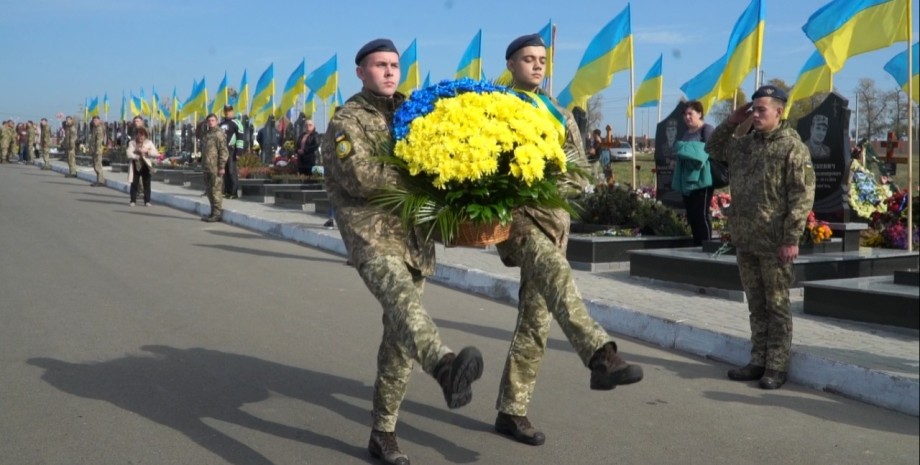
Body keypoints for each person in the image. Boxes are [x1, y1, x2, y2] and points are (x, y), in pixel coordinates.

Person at [322, 38, 483, 465]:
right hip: (372, 236)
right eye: (380, 65)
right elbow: (361, 177)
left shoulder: (417, 112)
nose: (390, 72)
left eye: (394, 65)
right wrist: (420, 171)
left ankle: (383, 433)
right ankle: (445, 366)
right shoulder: (347, 121)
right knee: (403, 303)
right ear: (360, 72)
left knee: (398, 336)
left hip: (415, 239)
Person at [492, 33, 644, 447]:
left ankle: (512, 410)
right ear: (511, 65)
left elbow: (580, 168)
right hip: (520, 221)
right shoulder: (494, 108)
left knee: (536, 321)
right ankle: (601, 356)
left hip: (555, 221)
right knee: (559, 277)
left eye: (542, 59)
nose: (537, 66)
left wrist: (564, 186)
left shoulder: (558, 112)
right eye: (528, 59)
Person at [705, 85, 816, 390]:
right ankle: (758, 360)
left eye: (761, 109)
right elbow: (713, 148)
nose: (755, 115)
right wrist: (731, 120)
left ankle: (777, 366)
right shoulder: (743, 145)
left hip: (775, 242)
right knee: (756, 304)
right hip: (746, 239)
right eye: (752, 109)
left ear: (779, 112)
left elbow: (801, 196)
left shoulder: (792, 148)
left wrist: (792, 238)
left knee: (777, 305)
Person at [672, 101, 715, 246]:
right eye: (685, 114)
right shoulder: (686, 133)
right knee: (691, 215)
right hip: (687, 180)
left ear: (700, 114)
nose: (687, 117)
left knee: (701, 214)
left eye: (690, 113)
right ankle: (697, 245)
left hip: (702, 180)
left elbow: (712, 152)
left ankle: (707, 245)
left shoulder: (707, 130)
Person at [201, 114, 229, 222]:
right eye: (209, 120)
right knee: (209, 191)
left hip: (216, 167)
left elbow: (223, 151)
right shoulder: (207, 134)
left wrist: (221, 166)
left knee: (215, 191)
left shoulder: (219, 134)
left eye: (213, 120)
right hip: (207, 167)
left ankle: (217, 214)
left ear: (217, 121)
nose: (211, 122)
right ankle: (212, 212)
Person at [126, 127, 156, 206]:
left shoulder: (149, 143)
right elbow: (128, 153)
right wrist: (136, 156)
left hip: (146, 165)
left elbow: (156, 153)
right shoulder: (132, 143)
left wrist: (147, 151)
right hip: (135, 165)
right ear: (136, 136)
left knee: (147, 183)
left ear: (145, 136)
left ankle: (147, 201)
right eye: (139, 135)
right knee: (134, 183)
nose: (140, 137)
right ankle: (133, 200)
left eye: (142, 135)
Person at [220, 105, 244, 198]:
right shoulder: (221, 124)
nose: (227, 112)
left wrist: (239, 152)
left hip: (231, 150)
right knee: (224, 172)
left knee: (231, 171)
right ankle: (227, 191)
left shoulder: (237, 123)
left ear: (232, 111)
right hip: (222, 151)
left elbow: (240, 138)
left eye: (229, 111)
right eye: (226, 111)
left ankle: (234, 192)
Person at [89, 116, 106, 186]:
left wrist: (97, 150)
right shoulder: (94, 128)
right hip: (94, 149)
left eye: (96, 120)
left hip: (97, 149)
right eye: (94, 120)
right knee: (95, 165)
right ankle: (98, 180)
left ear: (99, 121)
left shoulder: (99, 129)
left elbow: (99, 141)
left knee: (98, 165)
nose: (94, 122)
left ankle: (101, 181)